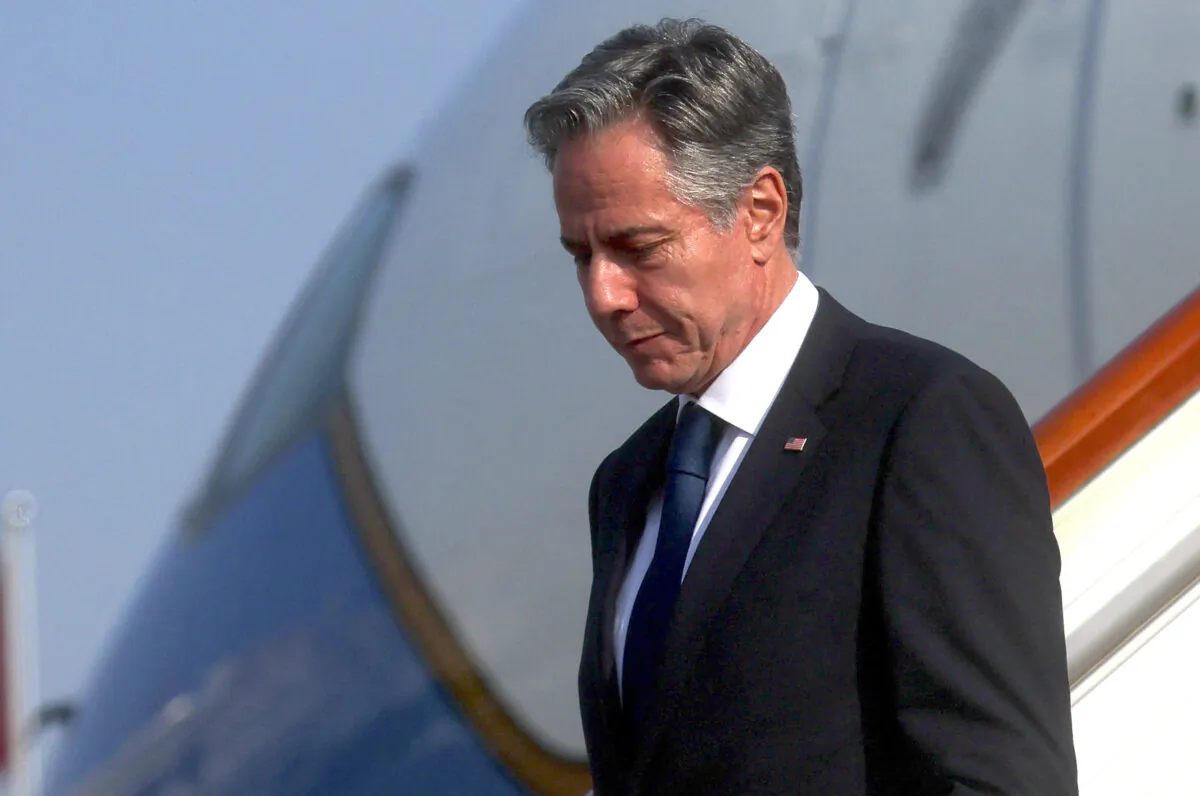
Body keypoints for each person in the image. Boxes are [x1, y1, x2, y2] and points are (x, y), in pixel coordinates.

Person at [524, 18, 1077, 796]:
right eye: (581, 257)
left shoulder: (918, 420)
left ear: (759, 211)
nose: (603, 296)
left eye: (637, 247)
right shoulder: (627, 484)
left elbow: (1001, 779)